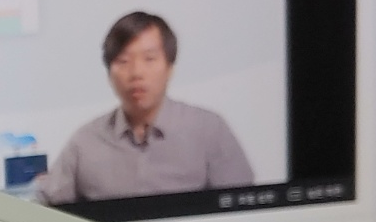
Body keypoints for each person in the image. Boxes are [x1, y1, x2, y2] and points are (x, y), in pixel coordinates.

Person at [35, 11, 254, 204]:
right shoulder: (85, 143)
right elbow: (45, 206)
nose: (136, 73)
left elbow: (243, 208)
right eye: (123, 61)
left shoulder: (209, 130)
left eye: (149, 59)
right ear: (109, 74)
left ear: (169, 68)